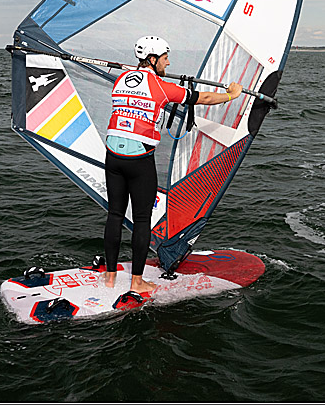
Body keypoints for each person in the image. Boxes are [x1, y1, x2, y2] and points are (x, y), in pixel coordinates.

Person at [100, 35, 242, 298]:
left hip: (112, 156)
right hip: (138, 161)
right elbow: (204, 98)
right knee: (142, 219)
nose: (169, 62)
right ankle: (137, 282)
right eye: (165, 58)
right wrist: (231, 95)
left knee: (115, 215)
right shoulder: (163, 87)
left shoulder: (120, 80)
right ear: (153, 59)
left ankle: (109, 276)